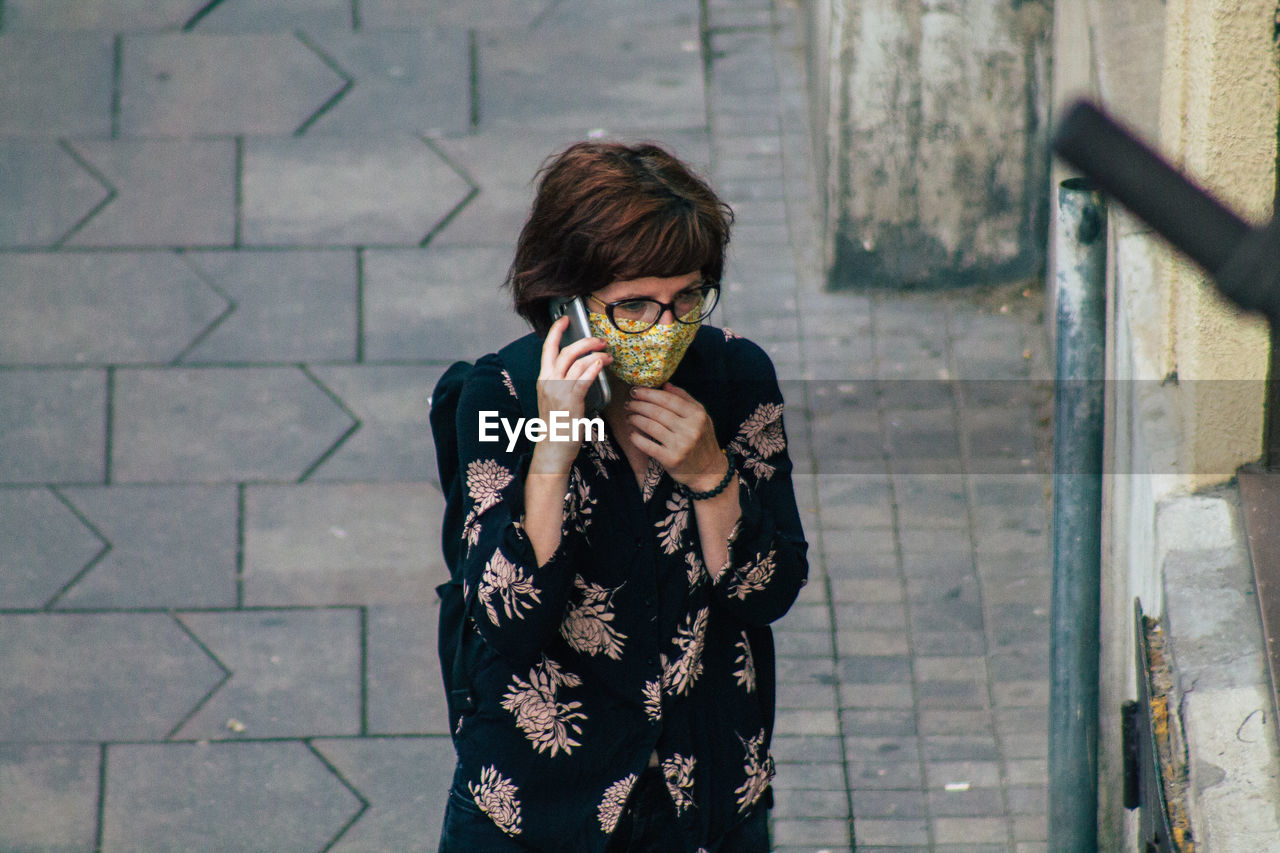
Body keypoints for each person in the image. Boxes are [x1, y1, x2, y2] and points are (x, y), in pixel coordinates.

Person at [437, 140, 809, 852]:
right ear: (566, 304)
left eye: (687, 298)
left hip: (702, 799)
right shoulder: (499, 396)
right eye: (634, 305)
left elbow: (770, 589)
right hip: (537, 807)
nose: (665, 328)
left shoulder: (735, 379)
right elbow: (507, 621)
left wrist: (710, 474)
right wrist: (554, 448)